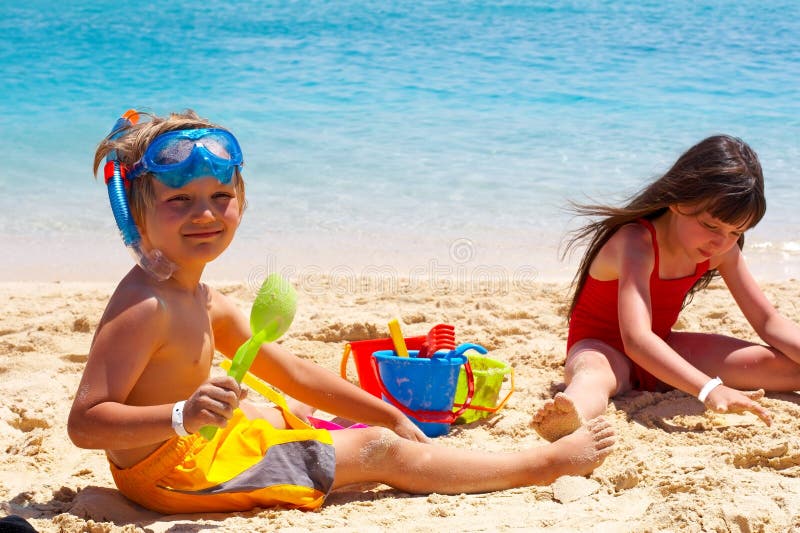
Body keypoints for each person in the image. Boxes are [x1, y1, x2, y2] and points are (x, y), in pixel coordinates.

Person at [68, 109, 615, 515]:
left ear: (242, 201)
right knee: (383, 454)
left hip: (189, 449)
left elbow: (294, 372)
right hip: (177, 474)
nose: (205, 214)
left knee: (284, 408)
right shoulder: (145, 306)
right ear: (136, 219)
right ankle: (546, 464)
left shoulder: (203, 299)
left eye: (220, 197)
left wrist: (387, 411)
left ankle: (345, 432)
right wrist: (182, 415)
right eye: (179, 200)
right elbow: (85, 423)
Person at [531, 134, 800, 442]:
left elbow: (768, 321)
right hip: (603, 349)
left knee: (790, 369)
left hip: (664, 350)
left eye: (735, 231)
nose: (721, 241)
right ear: (677, 200)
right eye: (711, 226)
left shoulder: (722, 250)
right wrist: (709, 388)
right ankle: (568, 416)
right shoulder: (636, 243)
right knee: (594, 378)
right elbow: (635, 339)